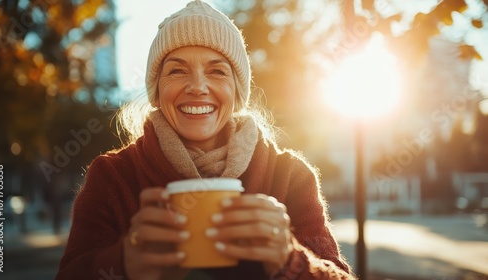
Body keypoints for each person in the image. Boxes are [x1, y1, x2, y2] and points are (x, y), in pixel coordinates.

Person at [56, 0, 354, 279]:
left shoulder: (289, 176)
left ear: (237, 93)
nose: (198, 86)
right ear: (156, 92)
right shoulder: (113, 177)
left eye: (217, 71)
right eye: (177, 70)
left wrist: (291, 260)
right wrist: (122, 263)